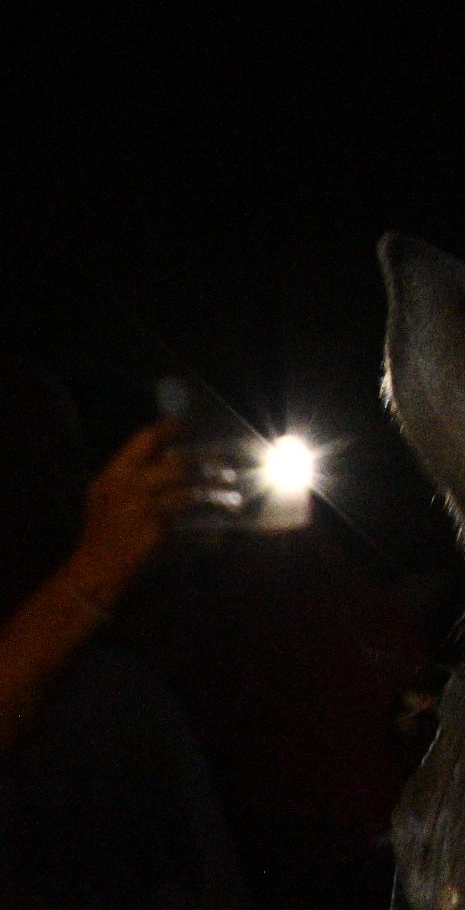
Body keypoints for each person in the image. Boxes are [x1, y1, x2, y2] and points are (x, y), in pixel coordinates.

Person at [0, 367, 244, 910]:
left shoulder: (107, 655)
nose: (59, 489)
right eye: (22, 466)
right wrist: (96, 569)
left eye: (66, 460)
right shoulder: (78, 597)